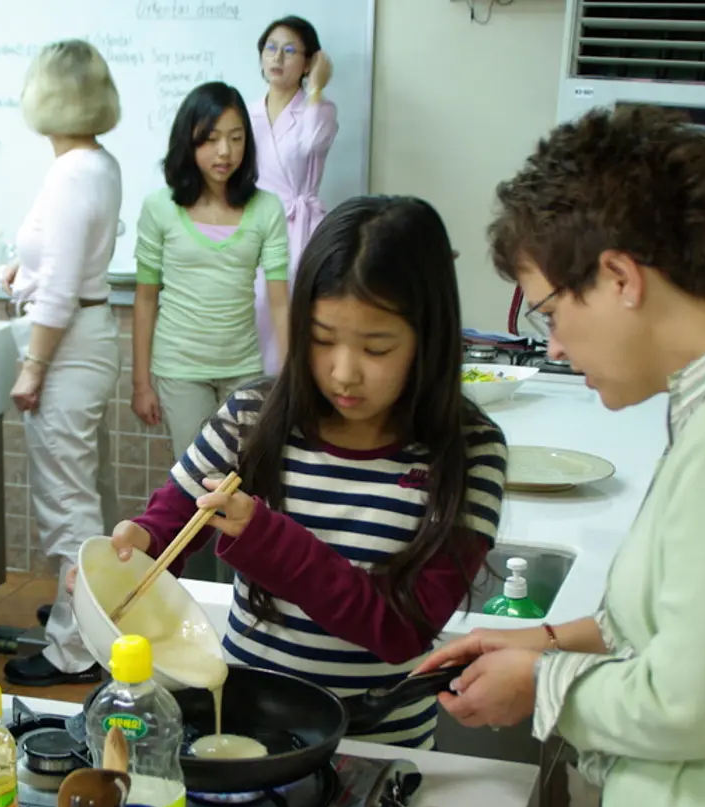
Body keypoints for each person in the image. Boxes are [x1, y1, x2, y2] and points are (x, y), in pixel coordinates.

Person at [414, 105, 705, 807]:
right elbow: (684, 612)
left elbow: (690, 702)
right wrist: (544, 637)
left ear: (622, 277)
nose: (553, 346)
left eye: (552, 310)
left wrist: (539, 687)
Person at [110, 196, 506, 747]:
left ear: (429, 338)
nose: (344, 373)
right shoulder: (253, 417)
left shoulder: (469, 453)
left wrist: (268, 538)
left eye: (376, 347)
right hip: (248, 729)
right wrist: (134, 549)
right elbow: (169, 520)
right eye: (321, 341)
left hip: (381, 746)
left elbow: (402, 630)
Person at [0, 40, 123, 687]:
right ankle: (89, 615)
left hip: (68, 349)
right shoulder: (95, 164)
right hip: (86, 339)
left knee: (67, 505)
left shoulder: (74, 172)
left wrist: (33, 367)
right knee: (88, 496)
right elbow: (64, 264)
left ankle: (74, 648)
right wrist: (28, 268)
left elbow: (63, 286)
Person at [132, 81, 291, 460]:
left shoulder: (266, 208)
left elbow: (280, 303)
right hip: (180, 369)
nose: (225, 152)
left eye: (236, 138)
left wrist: (288, 379)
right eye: (212, 139)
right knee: (196, 481)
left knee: (244, 478)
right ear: (189, 141)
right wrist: (141, 383)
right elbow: (145, 300)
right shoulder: (160, 208)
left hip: (243, 368)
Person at [250, 16, 338, 374]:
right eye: (271, 48)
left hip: (301, 229)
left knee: (297, 317)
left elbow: (310, 144)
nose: (277, 58)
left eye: (289, 51)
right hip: (256, 227)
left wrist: (316, 88)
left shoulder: (320, 109)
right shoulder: (246, 112)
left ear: (307, 62)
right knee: (255, 315)